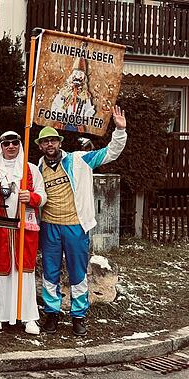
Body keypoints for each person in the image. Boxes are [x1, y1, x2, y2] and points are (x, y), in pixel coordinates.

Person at [38, 105, 128, 336]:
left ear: (59, 142)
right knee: (50, 271)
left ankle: (78, 316)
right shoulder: (37, 168)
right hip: (49, 225)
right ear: (40, 146)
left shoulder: (79, 160)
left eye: (53, 141)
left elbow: (110, 153)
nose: (50, 145)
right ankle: (52, 314)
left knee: (78, 272)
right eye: (45, 142)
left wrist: (119, 131)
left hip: (76, 225)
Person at [0, 131, 46, 335]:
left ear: (20, 144)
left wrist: (31, 197)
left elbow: (43, 196)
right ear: (0, 146)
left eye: (15, 142)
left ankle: (28, 316)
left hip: (23, 229)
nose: (11, 146)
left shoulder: (31, 169)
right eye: (6, 143)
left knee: (24, 273)